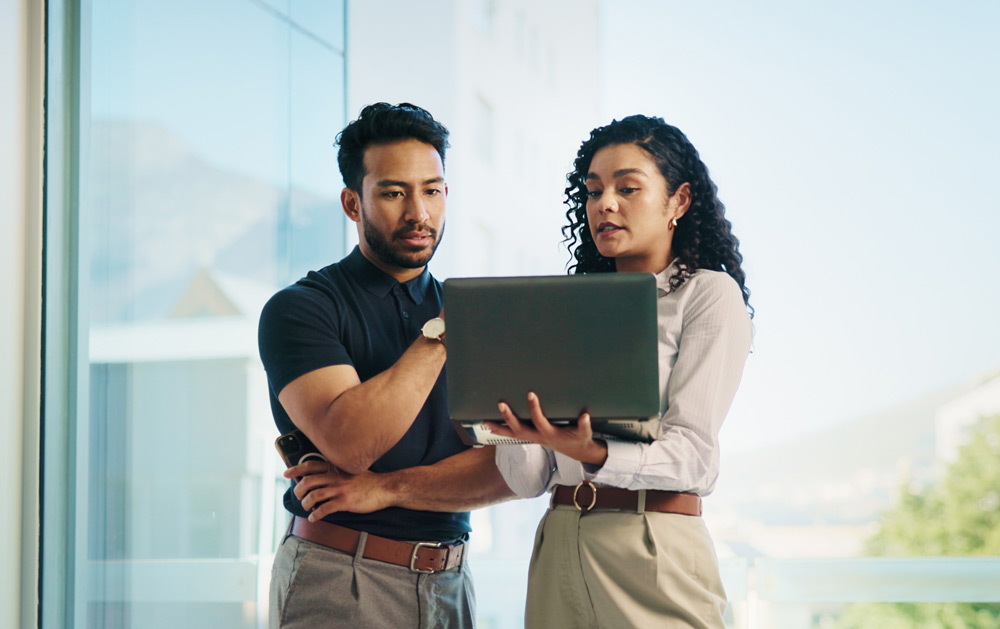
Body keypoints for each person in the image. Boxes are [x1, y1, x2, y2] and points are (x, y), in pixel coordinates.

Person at [489, 114, 754, 629]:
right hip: (560, 537)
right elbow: (530, 481)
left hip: (652, 545)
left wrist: (591, 452)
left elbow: (695, 457)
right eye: (592, 191)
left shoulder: (706, 295)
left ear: (678, 201)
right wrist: (505, 424)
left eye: (627, 188)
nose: (604, 204)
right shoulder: (566, 309)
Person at [258, 102, 512, 629]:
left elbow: (509, 469)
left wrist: (385, 488)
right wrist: (442, 333)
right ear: (353, 203)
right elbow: (353, 443)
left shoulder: (473, 313)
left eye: (432, 190)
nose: (418, 212)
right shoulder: (302, 309)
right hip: (342, 577)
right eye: (394, 192)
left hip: (451, 583)